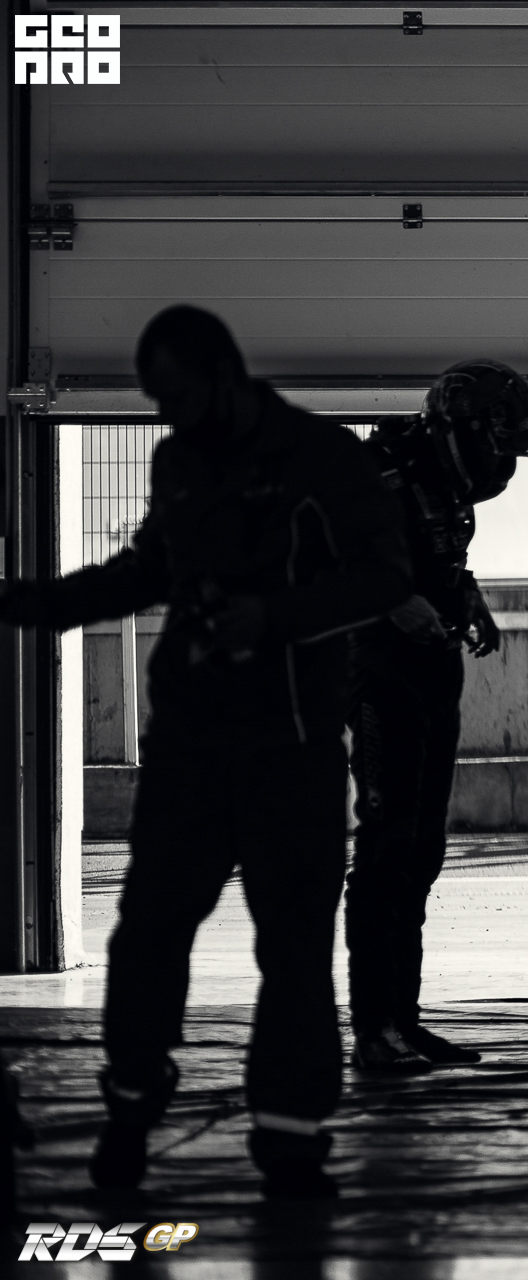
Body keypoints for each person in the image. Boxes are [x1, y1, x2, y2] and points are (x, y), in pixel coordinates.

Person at [0, 306, 412, 1196]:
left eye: (179, 397)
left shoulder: (323, 460)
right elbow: (151, 569)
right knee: (147, 938)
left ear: (225, 378)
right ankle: (130, 1111)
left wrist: (274, 619)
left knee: (294, 954)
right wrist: (34, 605)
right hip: (188, 750)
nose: (169, 417)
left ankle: (291, 1146)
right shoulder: (178, 461)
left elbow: (387, 576)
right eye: (158, 402)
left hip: (292, 755)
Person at [345, 361, 528, 1071]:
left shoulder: (442, 482)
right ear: (466, 431)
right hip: (379, 670)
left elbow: (434, 556)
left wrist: (470, 597)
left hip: (433, 665)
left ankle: (402, 1022)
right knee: (387, 851)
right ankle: (376, 1030)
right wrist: (391, 602)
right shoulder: (374, 471)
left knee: (422, 852)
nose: (507, 465)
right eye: (504, 446)